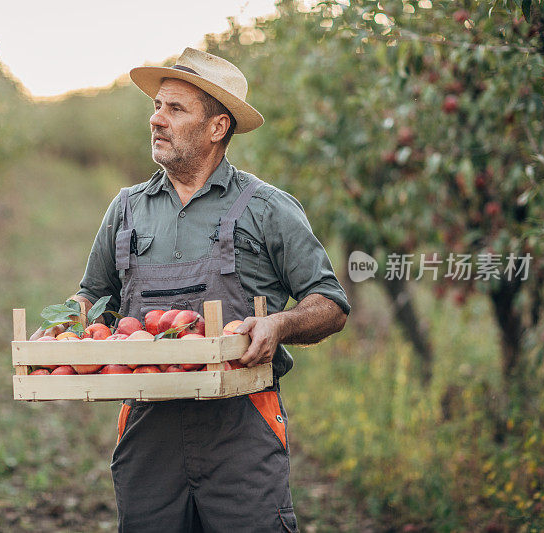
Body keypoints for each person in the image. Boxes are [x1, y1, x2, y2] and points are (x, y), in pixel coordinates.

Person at [44, 47, 350, 532]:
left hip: (241, 430)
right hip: (149, 433)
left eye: (175, 109)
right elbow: (92, 299)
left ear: (217, 127)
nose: (156, 120)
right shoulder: (127, 210)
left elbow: (329, 303)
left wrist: (280, 323)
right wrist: (63, 327)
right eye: (156, 107)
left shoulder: (268, 209)